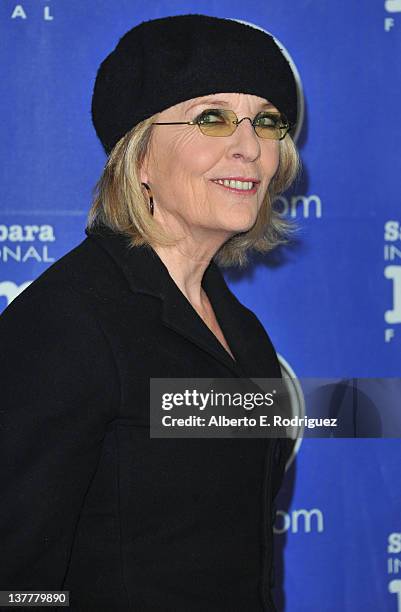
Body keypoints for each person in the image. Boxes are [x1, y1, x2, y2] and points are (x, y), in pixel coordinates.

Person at [0, 14, 301, 612]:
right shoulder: (68, 324)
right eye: (211, 118)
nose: (249, 145)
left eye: (266, 121)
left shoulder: (242, 333)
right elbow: (16, 578)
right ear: (139, 158)